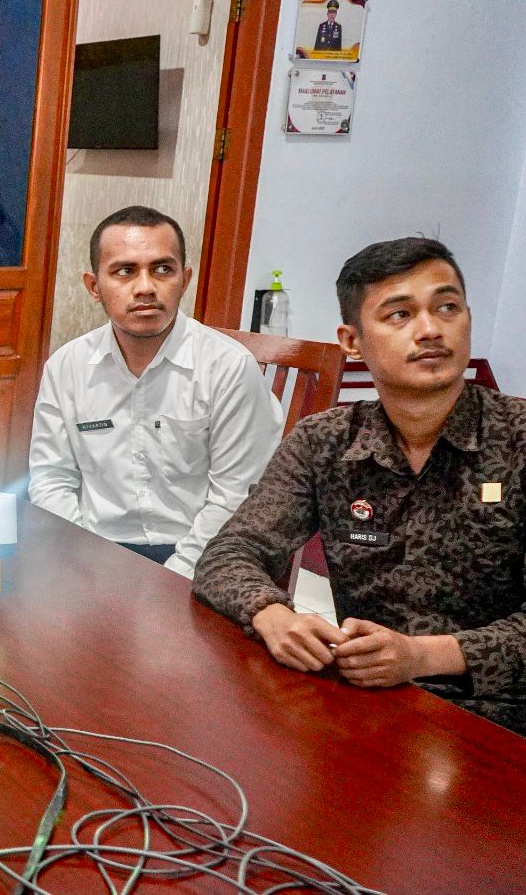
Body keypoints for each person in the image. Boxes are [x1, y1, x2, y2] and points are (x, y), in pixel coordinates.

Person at [195, 238, 526, 735]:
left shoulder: (518, 440)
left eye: (447, 307)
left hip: (501, 718)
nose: (431, 329)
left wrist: (420, 656)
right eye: (400, 314)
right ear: (351, 341)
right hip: (369, 707)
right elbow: (229, 552)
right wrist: (273, 615)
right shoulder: (324, 442)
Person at [28, 205, 283, 576]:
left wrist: (171, 578)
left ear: (185, 279)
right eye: (125, 271)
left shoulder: (228, 367)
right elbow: (51, 479)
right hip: (96, 550)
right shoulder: (67, 366)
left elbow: (236, 497)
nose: (146, 287)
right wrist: (83, 560)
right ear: (94, 287)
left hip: (205, 554)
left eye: (163, 269)